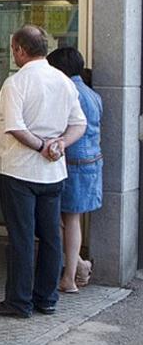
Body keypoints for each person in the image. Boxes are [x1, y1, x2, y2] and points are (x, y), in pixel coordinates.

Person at [0, 27, 86, 318]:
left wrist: (41, 146)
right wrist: (60, 144)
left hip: (20, 170)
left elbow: (14, 127)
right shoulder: (64, 81)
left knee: (22, 238)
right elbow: (79, 123)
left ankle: (18, 301)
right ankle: (47, 298)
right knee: (52, 237)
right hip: (54, 173)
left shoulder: (16, 83)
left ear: (19, 49)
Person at [46, 47, 101, 293]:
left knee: (59, 218)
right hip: (91, 160)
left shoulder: (67, 91)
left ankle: (71, 275)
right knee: (71, 219)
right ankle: (77, 267)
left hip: (71, 161)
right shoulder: (92, 94)